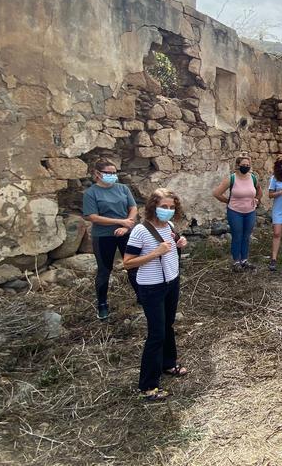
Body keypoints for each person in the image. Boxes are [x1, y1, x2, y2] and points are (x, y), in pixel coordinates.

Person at [122, 188, 189, 401]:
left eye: (171, 207)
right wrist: (154, 253)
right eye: (164, 207)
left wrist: (180, 243)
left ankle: (168, 364)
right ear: (153, 207)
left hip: (171, 282)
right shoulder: (140, 231)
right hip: (151, 287)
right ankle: (148, 386)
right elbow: (127, 262)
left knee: (168, 325)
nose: (168, 211)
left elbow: (170, 246)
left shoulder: (168, 226)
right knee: (156, 333)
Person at [82, 158, 139, 320]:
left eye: (114, 173)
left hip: (126, 233)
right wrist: (119, 221)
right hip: (104, 236)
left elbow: (133, 208)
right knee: (104, 271)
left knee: (133, 266)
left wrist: (126, 226)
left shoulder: (123, 188)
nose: (113, 176)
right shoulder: (91, 193)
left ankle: (142, 298)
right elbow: (92, 217)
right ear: (97, 174)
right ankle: (102, 305)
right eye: (109, 173)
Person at [212, 154, 262, 271]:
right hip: (235, 212)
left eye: (248, 165)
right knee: (237, 236)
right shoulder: (232, 178)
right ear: (238, 165)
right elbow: (216, 193)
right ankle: (236, 262)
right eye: (243, 165)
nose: (246, 167)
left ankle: (244, 260)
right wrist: (227, 201)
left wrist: (257, 200)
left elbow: (259, 191)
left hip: (250, 212)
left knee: (246, 236)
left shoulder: (253, 178)